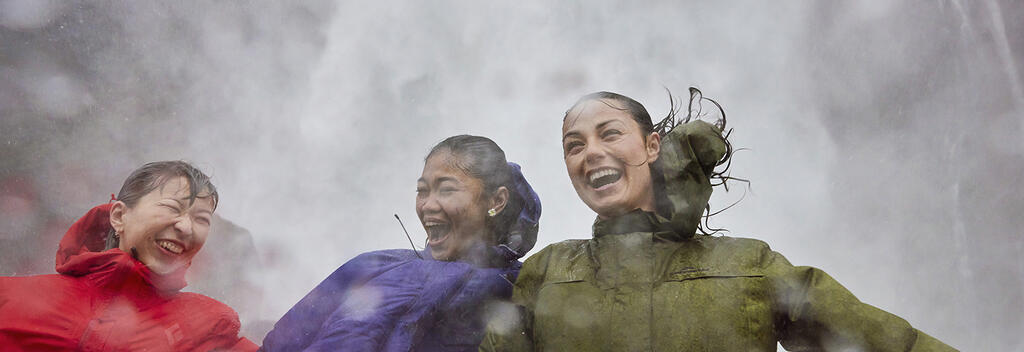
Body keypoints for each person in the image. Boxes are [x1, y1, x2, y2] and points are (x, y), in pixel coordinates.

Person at [479, 90, 957, 351]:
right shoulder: (544, 274)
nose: (592, 153)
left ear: (651, 145)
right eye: (574, 145)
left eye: (610, 134)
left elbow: (892, 346)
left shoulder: (751, 266)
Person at [261, 135, 542, 352]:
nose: (428, 205)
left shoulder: (522, 289)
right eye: (422, 191)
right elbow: (281, 343)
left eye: (446, 190)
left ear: (496, 201)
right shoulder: (370, 266)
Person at [0, 160, 257, 351]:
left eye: (201, 219)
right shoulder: (10, 298)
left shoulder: (208, 325)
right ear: (119, 216)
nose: (186, 227)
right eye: (171, 208)